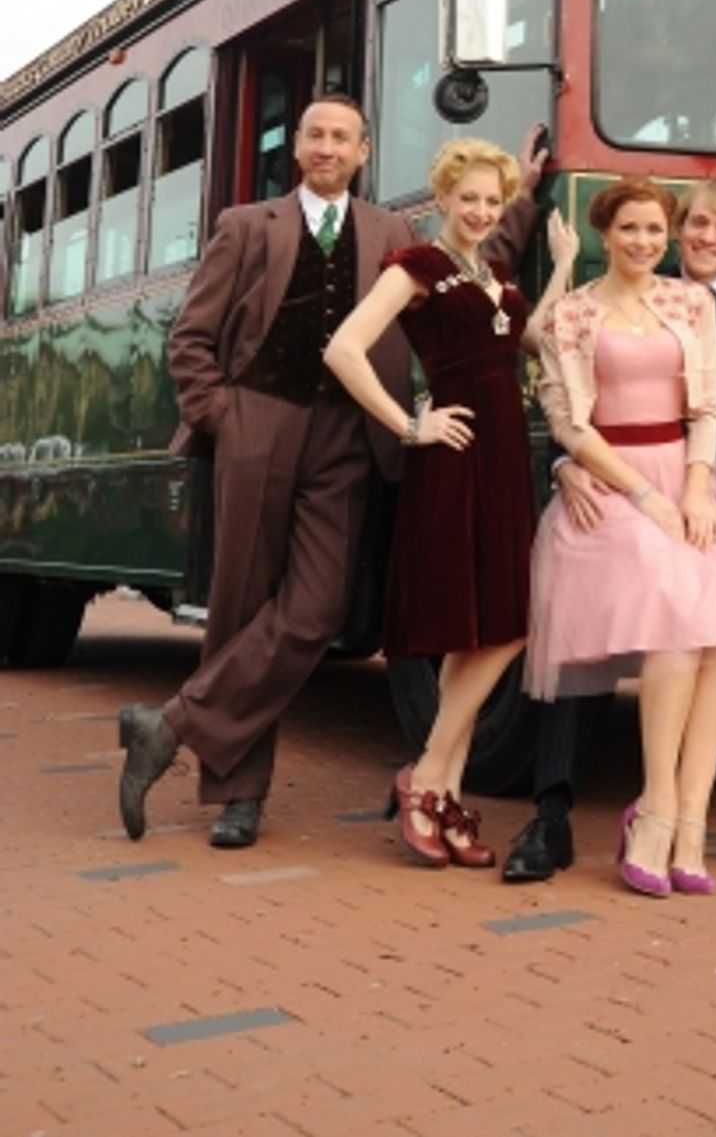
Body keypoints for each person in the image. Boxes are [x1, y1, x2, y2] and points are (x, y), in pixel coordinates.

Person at [503, 179, 716, 888]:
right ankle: (566, 812)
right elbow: (567, 406)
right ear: (615, 232)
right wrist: (571, 465)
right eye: (688, 223)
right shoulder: (597, 305)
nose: (695, 238)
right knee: (656, 612)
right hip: (616, 478)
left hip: (715, 483)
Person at [116, 95, 417, 849]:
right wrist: (222, 414)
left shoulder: (393, 232)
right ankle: (239, 797)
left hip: (345, 434)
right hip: (259, 422)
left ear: (363, 151)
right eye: (314, 134)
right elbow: (192, 336)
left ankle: (171, 723)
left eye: (340, 137)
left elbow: (443, 296)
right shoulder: (248, 225)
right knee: (241, 606)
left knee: (315, 611)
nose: (326, 147)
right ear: (300, 148)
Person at [323, 139, 577, 869]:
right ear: (443, 199)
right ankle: (429, 778)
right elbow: (345, 348)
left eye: (492, 201)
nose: (480, 210)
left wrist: (559, 268)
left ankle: (439, 782)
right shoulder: (419, 268)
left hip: (502, 460)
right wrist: (409, 424)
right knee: (494, 626)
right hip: (455, 458)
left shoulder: (493, 273)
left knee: (487, 626)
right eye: (468, 198)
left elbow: (529, 340)